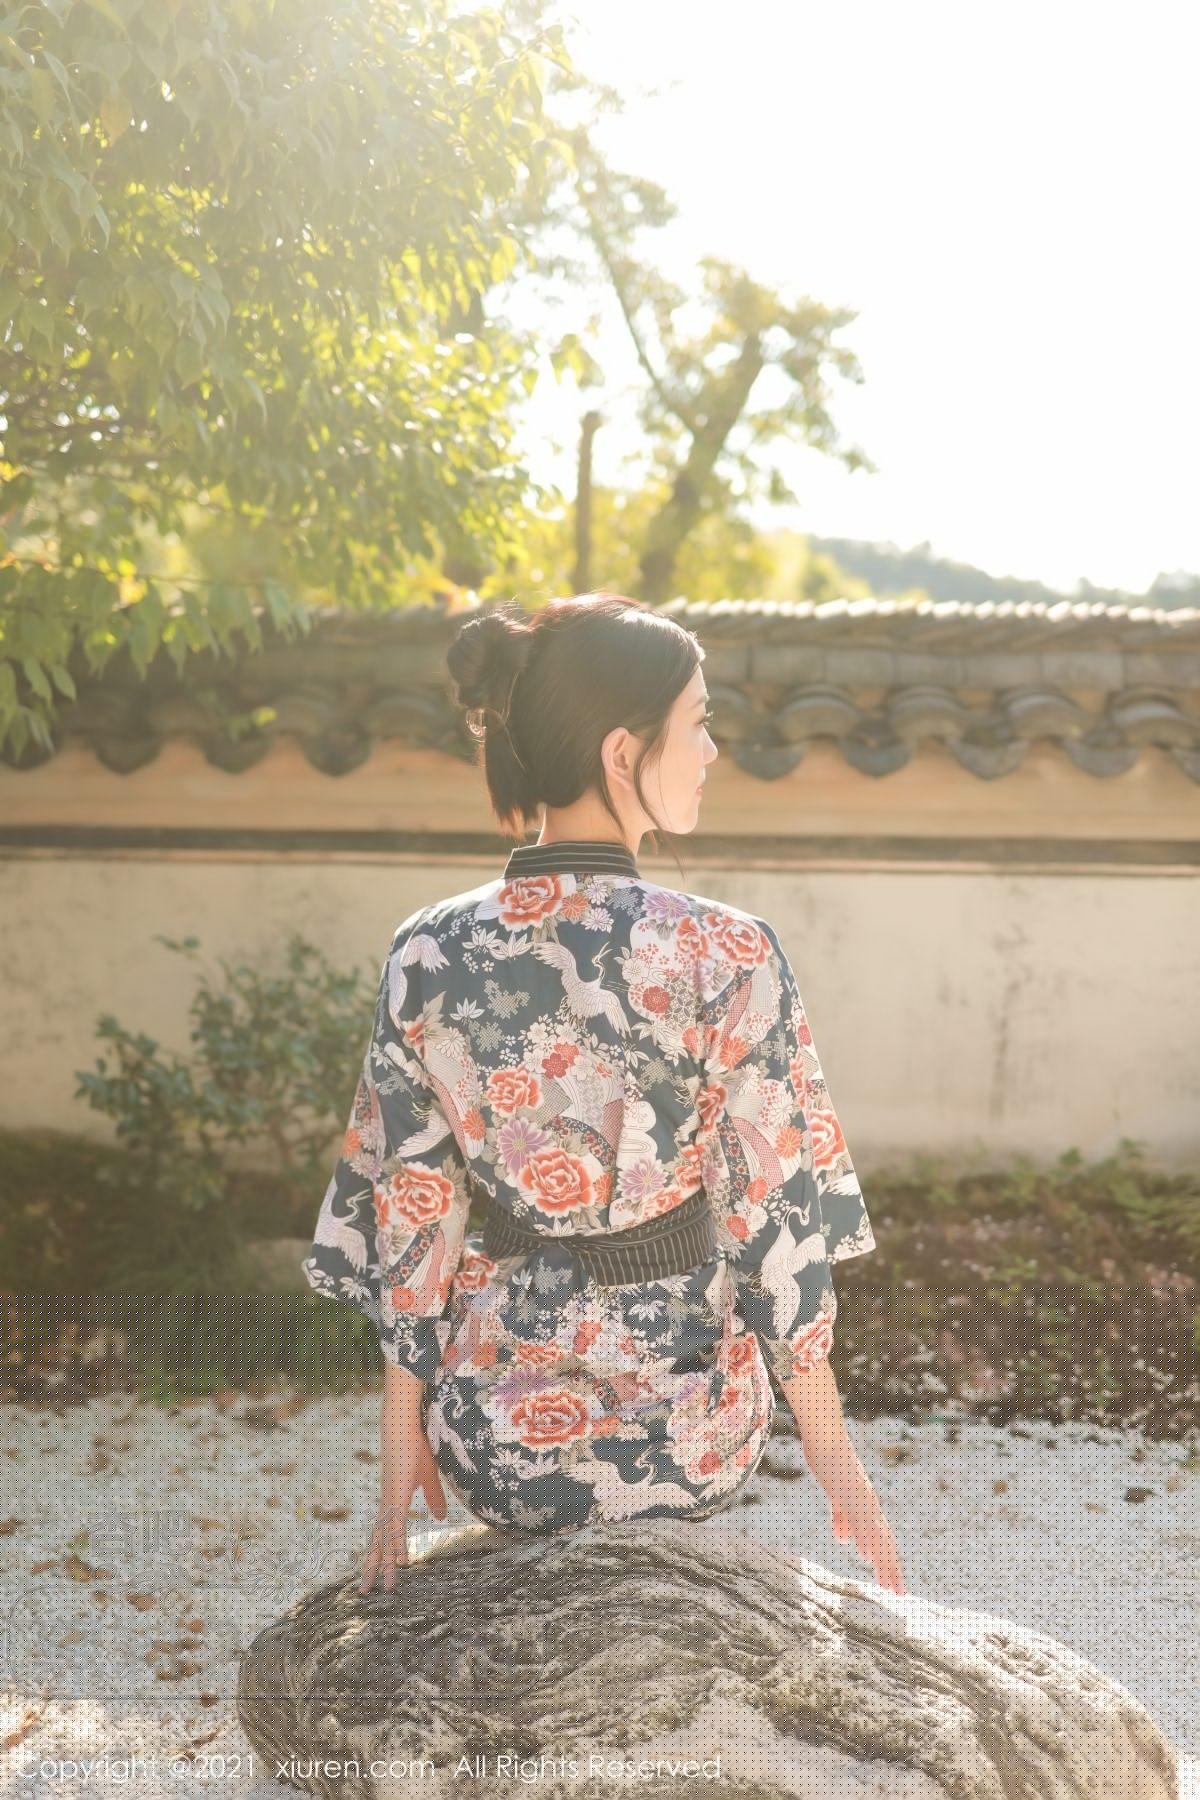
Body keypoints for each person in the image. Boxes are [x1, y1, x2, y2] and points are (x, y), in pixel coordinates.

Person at [301, 593, 904, 1598]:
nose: (712, 750)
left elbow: (415, 1214)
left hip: (494, 1441)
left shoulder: (428, 949)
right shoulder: (727, 950)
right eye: (699, 721)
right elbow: (771, 1222)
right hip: (687, 1439)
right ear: (623, 752)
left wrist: (403, 1449)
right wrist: (839, 1464)